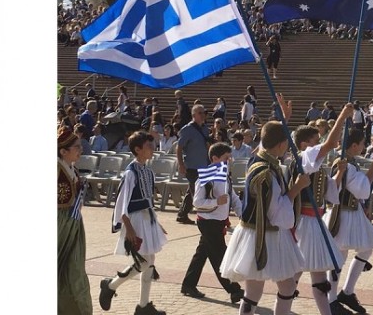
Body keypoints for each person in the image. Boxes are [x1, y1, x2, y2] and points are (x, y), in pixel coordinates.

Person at [219, 121, 310, 315]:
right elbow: (277, 214)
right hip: (265, 236)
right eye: (286, 142)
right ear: (281, 145)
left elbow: (266, 142)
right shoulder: (267, 173)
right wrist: (297, 188)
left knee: (253, 291)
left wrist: (281, 121)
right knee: (286, 287)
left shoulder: (257, 160)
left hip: (252, 233)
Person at [292, 104, 353, 315]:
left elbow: (328, 192)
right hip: (304, 223)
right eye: (315, 141)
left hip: (315, 223)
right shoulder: (305, 158)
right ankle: (281, 309)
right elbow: (330, 144)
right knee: (296, 273)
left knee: (318, 277)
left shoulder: (315, 166)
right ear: (304, 145)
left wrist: (339, 174)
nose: (319, 145)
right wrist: (343, 117)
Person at [99, 131, 168, 315]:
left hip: (148, 219)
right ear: (137, 149)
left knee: (149, 260)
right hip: (136, 220)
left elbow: (148, 200)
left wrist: (157, 223)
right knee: (144, 261)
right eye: (148, 145)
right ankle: (111, 285)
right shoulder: (131, 173)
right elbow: (121, 202)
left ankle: (143, 306)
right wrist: (128, 227)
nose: (152, 148)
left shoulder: (147, 171)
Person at [324, 129, 373, 315]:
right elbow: (363, 189)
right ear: (354, 145)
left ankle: (346, 292)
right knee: (339, 256)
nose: (364, 146)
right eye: (362, 143)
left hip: (351, 212)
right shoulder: (346, 165)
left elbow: (359, 192)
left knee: (365, 249)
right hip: (342, 214)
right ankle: (332, 299)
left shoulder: (349, 163)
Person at [180, 142, 245, 303]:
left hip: (218, 222)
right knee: (220, 256)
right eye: (226, 158)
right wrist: (216, 201)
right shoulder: (206, 176)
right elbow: (197, 202)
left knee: (202, 254)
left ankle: (188, 284)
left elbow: (233, 198)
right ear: (215, 158)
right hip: (208, 222)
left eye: (230, 158)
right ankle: (234, 290)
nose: (229, 161)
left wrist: (243, 214)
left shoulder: (224, 175)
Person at [58, 127, 93, 314]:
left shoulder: (73, 168)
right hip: (57, 226)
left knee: (74, 269)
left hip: (73, 225)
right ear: (63, 151)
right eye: (76, 147)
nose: (81, 150)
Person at [176, 105, 211, 225]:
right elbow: (179, 147)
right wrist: (181, 164)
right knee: (196, 191)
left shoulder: (205, 129)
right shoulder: (187, 129)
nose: (203, 115)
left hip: (204, 165)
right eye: (200, 113)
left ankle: (182, 214)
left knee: (192, 191)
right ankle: (203, 217)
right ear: (194, 115)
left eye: (204, 113)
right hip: (192, 166)